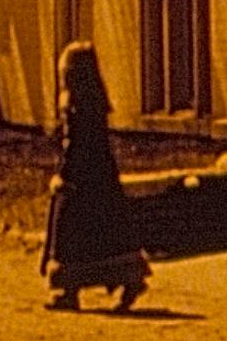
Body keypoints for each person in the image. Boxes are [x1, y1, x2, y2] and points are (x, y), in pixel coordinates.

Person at [41, 40, 150, 311]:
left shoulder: (75, 104)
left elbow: (73, 144)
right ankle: (127, 278)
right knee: (109, 231)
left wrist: (64, 175)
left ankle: (69, 289)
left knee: (71, 233)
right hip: (102, 175)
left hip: (80, 178)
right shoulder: (96, 102)